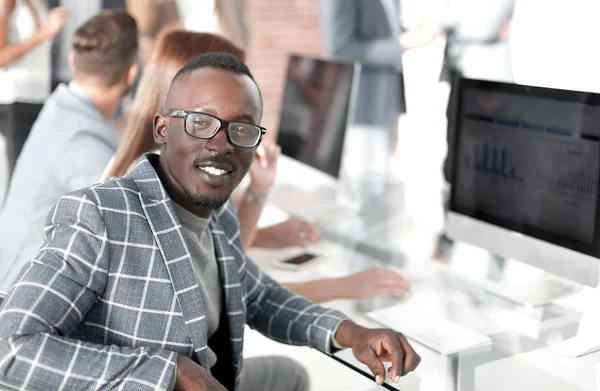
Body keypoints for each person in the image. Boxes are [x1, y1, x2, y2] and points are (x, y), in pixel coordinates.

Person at [0, 52, 421, 390]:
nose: (221, 144)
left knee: (291, 376)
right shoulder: (101, 215)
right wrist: (170, 373)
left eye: (241, 128)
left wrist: (349, 332)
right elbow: (10, 348)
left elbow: (257, 296)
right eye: (201, 122)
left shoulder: (219, 218)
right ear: (163, 128)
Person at [107, 29, 412, 303]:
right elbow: (235, 297)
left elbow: (222, 255)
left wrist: (261, 200)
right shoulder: (160, 184)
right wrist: (344, 287)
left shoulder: (149, 161)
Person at [0, 10, 138, 293]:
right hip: (18, 298)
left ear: (73, 61)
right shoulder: (86, 144)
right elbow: (128, 242)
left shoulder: (60, 107)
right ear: (131, 74)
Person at [318, 0, 441, 158]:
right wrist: (403, 42)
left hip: (387, 105)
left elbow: (387, 31)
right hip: (359, 111)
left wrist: (419, 31)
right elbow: (339, 49)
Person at [0, 0, 68, 179]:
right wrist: (46, 32)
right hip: (15, 99)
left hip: (39, 96)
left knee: (35, 173)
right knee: (18, 175)